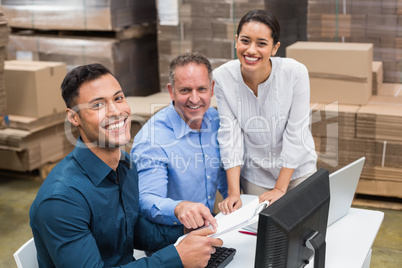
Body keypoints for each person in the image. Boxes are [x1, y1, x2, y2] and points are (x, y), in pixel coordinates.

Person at [29, 63, 223, 267]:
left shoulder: (124, 165)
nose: (115, 111)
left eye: (118, 98)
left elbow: (136, 231)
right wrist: (178, 257)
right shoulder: (61, 200)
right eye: (97, 105)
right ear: (74, 117)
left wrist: (187, 231)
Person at [213, 9, 317, 214]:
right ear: (236, 41)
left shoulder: (295, 73)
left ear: (275, 47)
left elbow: (296, 132)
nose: (251, 50)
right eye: (245, 41)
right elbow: (230, 134)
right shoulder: (222, 77)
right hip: (256, 177)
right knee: (259, 234)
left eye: (261, 43)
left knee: (304, 227)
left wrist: (280, 188)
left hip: (298, 171)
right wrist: (234, 192)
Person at [131, 52, 228, 230]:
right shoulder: (152, 139)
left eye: (201, 89)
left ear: (212, 88)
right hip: (170, 238)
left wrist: (231, 196)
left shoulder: (215, 120)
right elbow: (146, 200)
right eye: (185, 90)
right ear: (171, 91)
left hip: (209, 228)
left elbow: (223, 170)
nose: (194, 99)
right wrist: (179, 207)